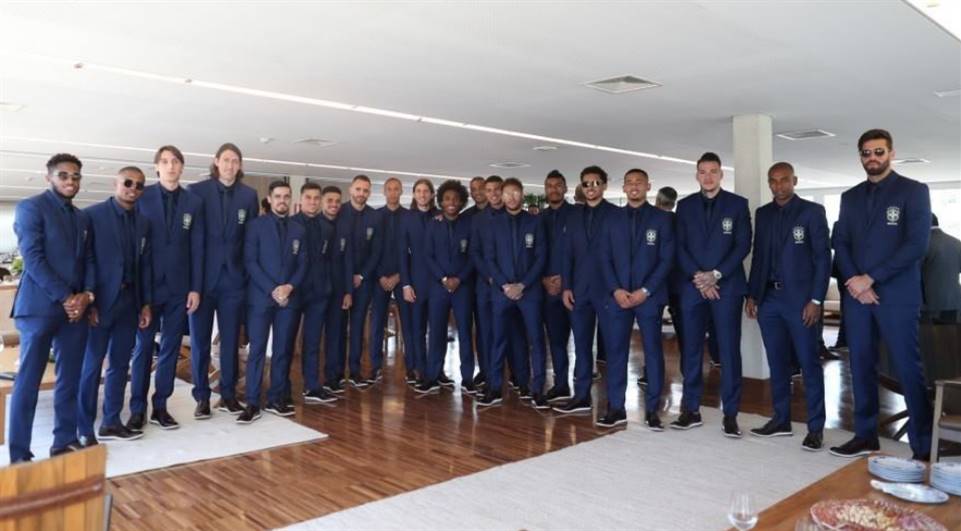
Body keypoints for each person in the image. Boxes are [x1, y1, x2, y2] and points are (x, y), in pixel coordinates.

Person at [831, 129, 933, 460]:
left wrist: (871, 279)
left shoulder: (914, 191)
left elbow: (916, 245)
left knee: (907, 368)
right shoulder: (850, 197)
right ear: (860, 156)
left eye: (878, 151)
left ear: (891, 153)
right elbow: (840, 242)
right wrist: (854, 282)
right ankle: (865, 436)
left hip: (897, 296)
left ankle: (922, 445)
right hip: (858, 298)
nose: (872, 158)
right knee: (860, 366)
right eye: (866, 153)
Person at [8, 153, 93, 462]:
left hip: (75, 313)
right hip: (39, 309)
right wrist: (66, 297)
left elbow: (89, 261)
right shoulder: (31, 208)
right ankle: (19, 453)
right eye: (64, 175)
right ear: (49, 178)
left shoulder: (82, 218)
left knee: (70, 379)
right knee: (28, 383)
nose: (71, 181)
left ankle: (64, 441)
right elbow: (33, 259)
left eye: (76, 176)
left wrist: (86, 296)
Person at [745, 162, 829, 451]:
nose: (778, 185)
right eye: (773, 181)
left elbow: (822, 258)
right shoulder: (763, 214)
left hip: (801, 301)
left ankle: (815, 428)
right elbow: (758, 257)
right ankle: (781, 420)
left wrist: (816, 299)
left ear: (795, 180)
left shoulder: (812, 212)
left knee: (808, 363)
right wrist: (752, 294)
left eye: (784, 180)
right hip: (769, 300)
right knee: (777, 362)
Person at [672, 152, 751, 437]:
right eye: (703, 171)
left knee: (728, 351)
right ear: (697, 175)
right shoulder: (684, 206)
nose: (708, 177)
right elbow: (678, 246)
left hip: (726, 288)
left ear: (721, 174)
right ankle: (690, 410)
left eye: (713, 171)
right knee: (691, 350)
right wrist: (699, 277)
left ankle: (730, 414)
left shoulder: (738, 204)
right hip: (692, 287)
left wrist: (715, 275)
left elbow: (743, 244)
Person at [129, 145, 204, 431]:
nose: (170, 166)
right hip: (147, 288)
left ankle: (160, 406)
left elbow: (197, 248)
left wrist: (195, 288)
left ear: (182, 167)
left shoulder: (193, 202)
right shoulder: (142, 197)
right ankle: (137, 408)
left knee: (171, 349)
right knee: (143, 348)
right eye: (165, 161)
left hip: (179, 288)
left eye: (175, 161)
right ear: (156, 167)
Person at [77, 167, 153, 445]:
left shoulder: (143, 222)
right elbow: (84, 261)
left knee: (120, 365)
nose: (133, 188)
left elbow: (145, 266)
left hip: (129, 303)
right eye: (128, 183)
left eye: (139, 185)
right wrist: (89, 300)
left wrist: (145, 303)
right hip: (99, 303)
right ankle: (84, 427)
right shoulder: (92, 216)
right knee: (91, 366)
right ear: (115, 183)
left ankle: (111, 421)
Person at [187, 143, 259, 418]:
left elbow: (251, 238)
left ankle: (228, 395)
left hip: (234, 280)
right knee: (200, 342)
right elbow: (191, 240)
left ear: (240, 165)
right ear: (216, 162)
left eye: (235, 161)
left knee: (230, 342)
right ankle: (202, 397)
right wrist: (192, 284)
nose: (230, 165)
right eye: (226, 160)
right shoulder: (197, 191)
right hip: (203, 281)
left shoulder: (249, 196)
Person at [599, 169, 674, 429]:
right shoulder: (611, 219)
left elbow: (666, 259)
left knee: (652, 352)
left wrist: (646, 290)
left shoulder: (662, 219)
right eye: (629, 182)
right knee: (616, 353)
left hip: (649, 298)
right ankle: (615, 408)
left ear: (648, 186)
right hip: (618, 297)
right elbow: (604, 257)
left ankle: (652, 410)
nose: (634, 186)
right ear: (623, 188)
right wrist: (615, 290)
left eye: (639, 182)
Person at [238, 180, 306, 423]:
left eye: (286, 196)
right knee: (257, 350)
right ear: (269, 199)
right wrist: (272, 289)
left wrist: (289, 287)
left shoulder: (299, 229)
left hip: (288, 299)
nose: (282, 200)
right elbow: (250, 261)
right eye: (278, 196)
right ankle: (252, 402)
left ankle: (276, 398)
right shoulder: (255, 226)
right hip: (260, 299)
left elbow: (303, 264)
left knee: (282, 350)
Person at [478, 178, 548, 407]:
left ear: (522, 194)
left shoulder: (535, 222)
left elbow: (541, 258)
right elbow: (489, 259)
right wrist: (505, 285)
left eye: (515, 192)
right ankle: (495, 388)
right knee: (498, 340)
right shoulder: (493, 225)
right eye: (507, 193)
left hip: (530, 292)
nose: (511, 197)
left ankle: (537, 389)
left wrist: (523, 285)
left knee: (536, 340)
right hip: (502, 292)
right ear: (502, 195)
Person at [554, 166, 618, 415]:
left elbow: (622, 254)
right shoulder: (573, 216)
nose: (591, 188)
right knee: (581, 347)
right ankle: (581, 397)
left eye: (595, 183)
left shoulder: (616, 214)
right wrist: (566, 287)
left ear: (604, 185)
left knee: (612, 349)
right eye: (586, 183)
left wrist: (618, 287)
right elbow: (566, 254)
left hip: (608, 290)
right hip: (579, 291)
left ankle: (615, 402)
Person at [420, 180, 476, 394]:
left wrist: (459, 279)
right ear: (441, 201)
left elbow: (473, 256)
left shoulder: (469, 224)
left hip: (463, 287)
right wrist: (443, 278)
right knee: (436, 332)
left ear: (461, 201)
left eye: (455, 199)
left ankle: (468, 378)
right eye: (447, 199)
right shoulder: (433, 224)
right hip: (438, 287)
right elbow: (428, 255)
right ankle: (433, 375)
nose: (451, 202)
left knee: (465, 333)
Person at [291, 182, 338, 405]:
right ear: (301, 199)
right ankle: (281, 389)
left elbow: (328, 261)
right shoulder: (290, 225)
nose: (312, 201)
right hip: (294, 292)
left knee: (312, 342)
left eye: (316, 198)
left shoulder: (327, 228)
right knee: (286, 343)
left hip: (318, 293)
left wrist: (327, 286)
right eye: (308, 197)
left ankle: (312, 386)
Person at [338, 175, 383, 388]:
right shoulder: (339, 212)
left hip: (363, 282)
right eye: (358, 189)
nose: (361, 193)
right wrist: (346, 277)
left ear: (369, 192)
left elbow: (376, 252)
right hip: (340, 281)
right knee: (338, 328)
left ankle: (355, 371)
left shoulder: (375, 217)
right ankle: (336, 373)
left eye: (365, 190)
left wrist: (362, 275)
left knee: (357, 327)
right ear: (351, 189)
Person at [368, 178, 411, 384]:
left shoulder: (410, 217)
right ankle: (375, 367)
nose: (393, 192)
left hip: (403, 277)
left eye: (396, 189)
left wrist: (399, 276)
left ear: (401, 191)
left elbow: (414, 251)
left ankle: (412, 367)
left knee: (408, 323)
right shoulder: (375, 216)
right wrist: (379, 276)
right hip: (379, 278)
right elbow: (369, 251)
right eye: (389, 189)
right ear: (384, 192)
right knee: (377, 323)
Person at [399, 179, 438, 385]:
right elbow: (402, 254)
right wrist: (406, 284)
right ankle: (418, 369)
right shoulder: (407, 218)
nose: (422, 194)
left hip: (439, 282)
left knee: (438, 330)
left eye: (426, 191)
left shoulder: (440, 216)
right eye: (419, 191)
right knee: (417, 329)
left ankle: (436, 370)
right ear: (414, 194)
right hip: (416, 281)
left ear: (432, 194)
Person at [540, 170, 574, 403]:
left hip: (573, 289)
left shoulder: (577, 215)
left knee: (582, 342)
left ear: (565, 188)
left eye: (558, 185)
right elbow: (533, 255)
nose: (554, 189)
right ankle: (561, 384)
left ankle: (583, 389)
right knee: (556, 341)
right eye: (549, 186)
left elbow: (583, 253)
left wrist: (565, 279)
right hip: (547, 289)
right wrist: (544, 279)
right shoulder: (537, 219)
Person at [321, 186, 354, 394]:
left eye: (337, 201)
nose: (334, 204)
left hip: (339, 290)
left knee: (337, 335)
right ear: (322, 202)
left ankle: (334, 376)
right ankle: (313, 381)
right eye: (329, 200)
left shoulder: (345, 226)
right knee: (314, 338)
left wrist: (348, 291)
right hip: (317, 291)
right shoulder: (314, 225)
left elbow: (348, 261)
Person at [922, 213, 961, 322]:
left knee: (929, 333)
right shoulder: (956, 242)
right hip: (954, 303)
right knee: (951, 333)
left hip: (928, 306)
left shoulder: (922, 245)